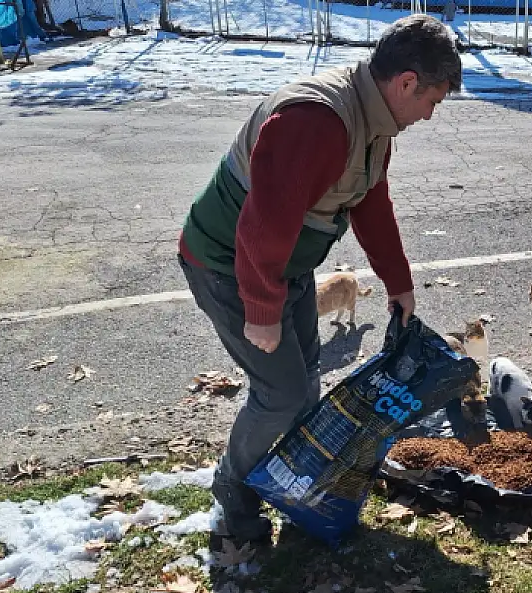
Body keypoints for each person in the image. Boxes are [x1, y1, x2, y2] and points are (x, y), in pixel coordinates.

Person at [176, 14, 462, 548]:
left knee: (307, 382)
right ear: (405, 83)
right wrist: (261, 309)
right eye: (432, 101)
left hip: (285, 265)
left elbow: (370, 203)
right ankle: (233, 490)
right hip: (228, 263)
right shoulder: (315, 119)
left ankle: (292, 486)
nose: (428, 115)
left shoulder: (374, 125)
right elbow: (260, 226)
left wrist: (398, 281)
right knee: (281, 394)